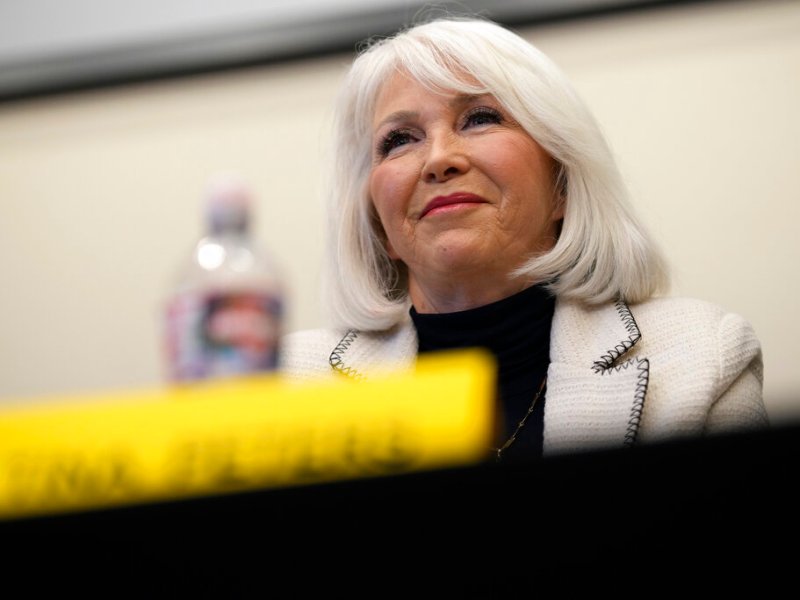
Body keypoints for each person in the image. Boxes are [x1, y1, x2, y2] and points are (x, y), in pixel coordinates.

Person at [279, 16, 769, 461]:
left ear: (562, 188)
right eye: (400, 139)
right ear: (378, 225)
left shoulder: (703, 359)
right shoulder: (289, 387)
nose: (438, 159)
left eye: (479, 118)